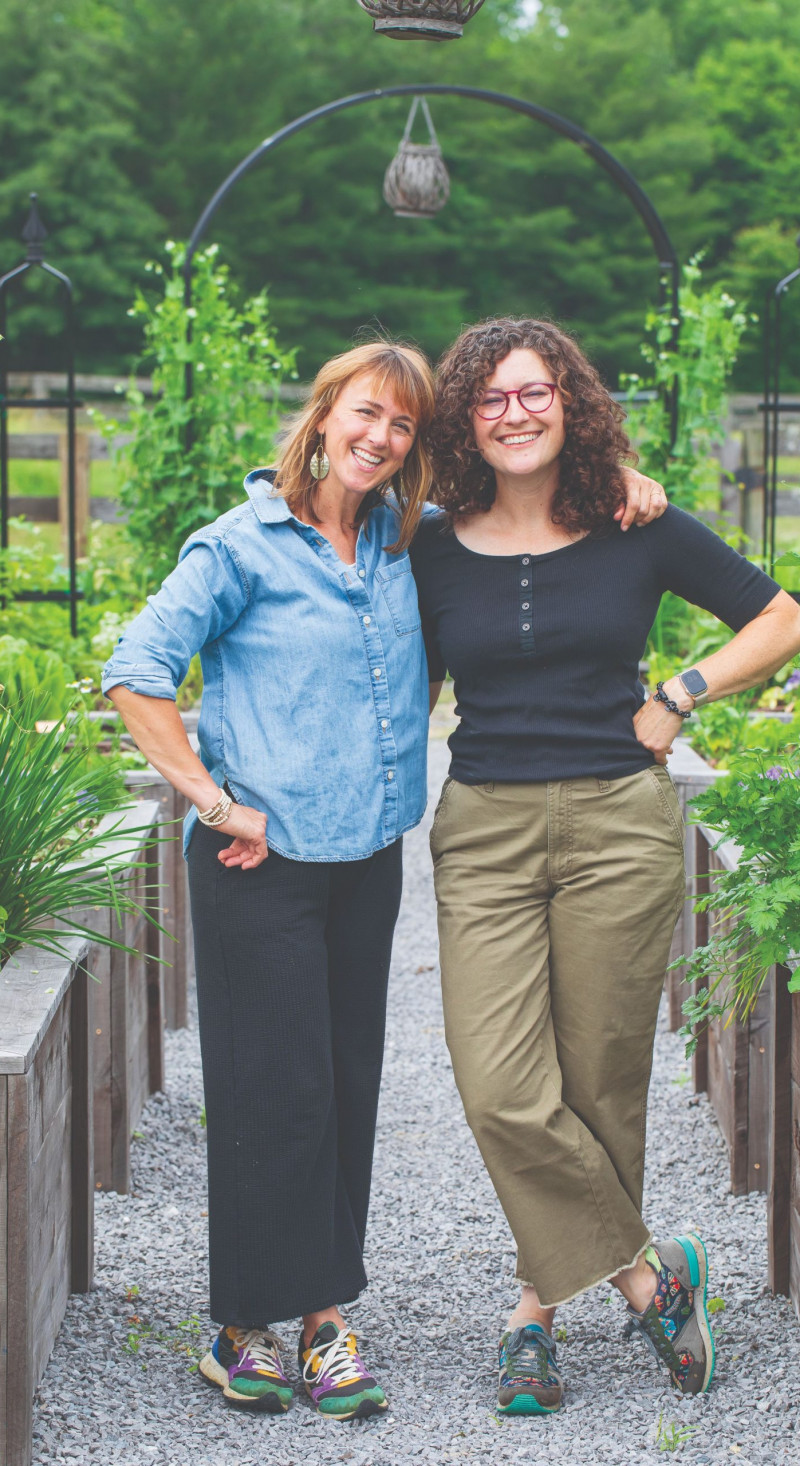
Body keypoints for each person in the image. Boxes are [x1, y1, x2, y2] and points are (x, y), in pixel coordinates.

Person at [102, 337, 666, 1422]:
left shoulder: (404, 545)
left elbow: (539, 519)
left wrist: (627, 482)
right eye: (365, 413)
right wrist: (213, 799)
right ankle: (241, 1325)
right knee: (279, 1092)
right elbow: (136, 671)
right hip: (252, 859)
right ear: (321, 417)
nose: (379, 437)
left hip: (363, 857)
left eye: (402, 426)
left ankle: (321, 1317)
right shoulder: (237, 545)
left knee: (346, 1083)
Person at [410, 316, 800, 1416]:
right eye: (489, 399)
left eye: (534, 393)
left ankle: (533, 1312)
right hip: (481, 826)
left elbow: (777, 617)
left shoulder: (637, 522)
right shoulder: (427, 541)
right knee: (498, 1084)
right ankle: (645, 1274)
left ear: (569, 404)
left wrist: (676, 698)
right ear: (463, 420)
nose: (514, 413)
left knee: (596, 1080)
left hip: (617, 826)